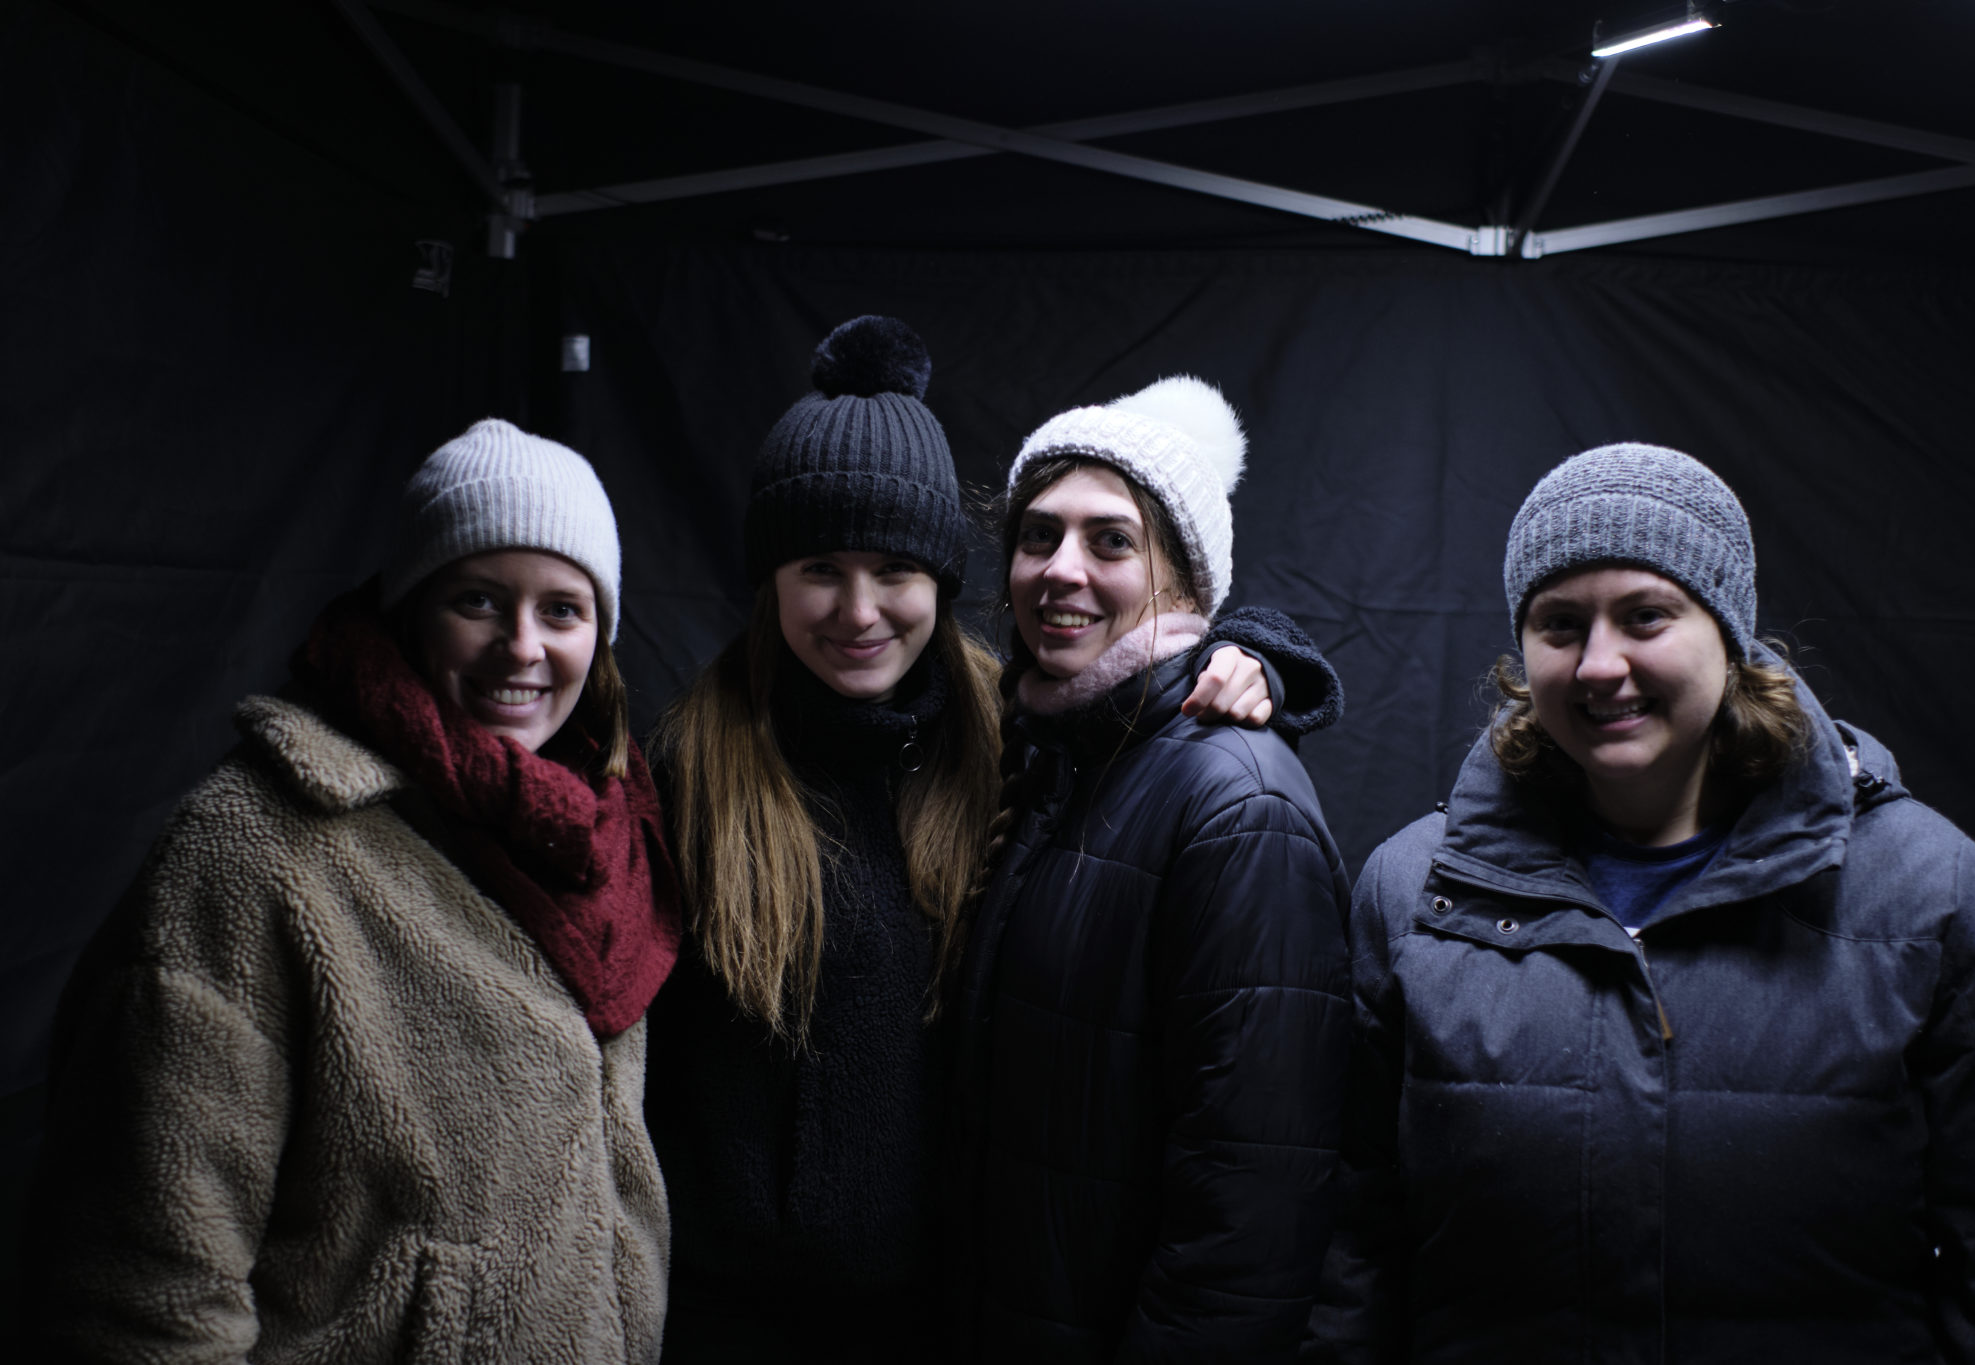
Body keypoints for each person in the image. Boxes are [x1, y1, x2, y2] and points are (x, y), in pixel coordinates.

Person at [644, 320, 1332, 1363]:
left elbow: (1144, 696)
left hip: (945, 1317)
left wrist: (1257, 652)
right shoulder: (687, 769)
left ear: (941, 579)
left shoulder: (998, 738)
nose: (859, 610)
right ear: (768, 581)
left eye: (895, 568)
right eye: (819, 567)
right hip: (731, 1323)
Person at [1316, 442, 1975, 1363]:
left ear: (1728, 633)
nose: (1599, 664)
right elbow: (1355, 1247)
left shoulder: (1931, 894)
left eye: (1646, 616)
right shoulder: (1414, 892)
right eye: (1559, 624)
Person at [26, 418, 682, 1361]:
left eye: (562, 610)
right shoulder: (256, 848)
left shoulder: (609, 847)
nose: (522, 647)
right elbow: (144, 1286)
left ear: (600, 636)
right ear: (410, 607)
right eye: (478, 599)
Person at [951, 375, 1354, 1362]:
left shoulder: (1236, 803)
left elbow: (1249, 1219)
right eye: (1038, 535)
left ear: (1182, 581)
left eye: (1110, 541)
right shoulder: (1052, 757)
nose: (1060, 570)